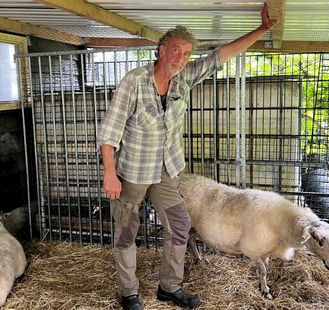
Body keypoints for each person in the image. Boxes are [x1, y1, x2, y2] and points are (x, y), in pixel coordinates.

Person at [97, 4, 276, 310]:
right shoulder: (134, 82)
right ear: (161, 49)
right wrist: (109, 173)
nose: (181, 58)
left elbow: (222, 55)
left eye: (187, 53)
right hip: (133, 173)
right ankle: (129, 293)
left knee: (179, 225)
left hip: (166, 170)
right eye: (176, 50)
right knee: (127, 230)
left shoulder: (185, 78)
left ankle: (169, 287)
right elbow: (110, 132)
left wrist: (262, 31)